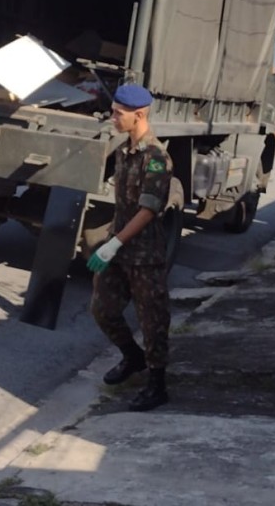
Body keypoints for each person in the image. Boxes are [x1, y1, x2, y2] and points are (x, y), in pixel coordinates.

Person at [87, 83, 174, 411]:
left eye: (118, 113)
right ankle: (132, 357)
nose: (112, 117)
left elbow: (148, 210)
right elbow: (123, 206)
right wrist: (109, 243)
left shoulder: (156, 158)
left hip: (144, 253)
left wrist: (115, 244)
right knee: (102, 309)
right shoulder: (124, 151)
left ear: (138, 115)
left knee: (152, 319)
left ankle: (157, 384)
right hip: (119, 246)